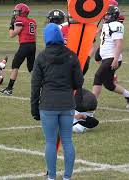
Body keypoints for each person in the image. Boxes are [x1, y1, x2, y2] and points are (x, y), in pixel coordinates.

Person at [31, 23, 84, 180]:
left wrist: (34, 108)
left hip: (48, 104)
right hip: (67, 103)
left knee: (50, 142)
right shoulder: (71, 55)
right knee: (67, 140)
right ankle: (67, 177)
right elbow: (78, 82)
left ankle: (51, 177)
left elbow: (35, 86)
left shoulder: (41, 57)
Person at [92, 6, 129, 109]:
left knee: (98, 76)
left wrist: (116, 59)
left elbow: (119, 43)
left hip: (112, 57)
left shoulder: (116, 25)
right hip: (107, 57)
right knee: (108, 84)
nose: (105, 17)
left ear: (113, 16)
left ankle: (92, 104)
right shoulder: (107, 25)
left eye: (107, 15)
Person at [0, 3, 36, 96]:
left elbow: (12, 34)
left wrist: (11, 25)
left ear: (22, 12)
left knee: (15, 65)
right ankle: (41, 87)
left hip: (25, 46)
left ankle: (9, 89)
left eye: (18, 11)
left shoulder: (20, 20)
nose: (16, 13)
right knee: (31, 68)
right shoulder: (32, 21)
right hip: (33, 45)